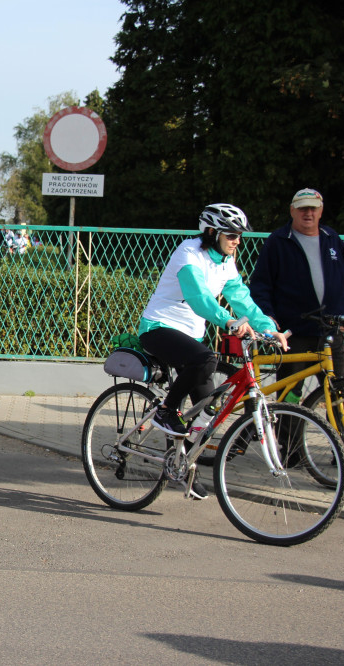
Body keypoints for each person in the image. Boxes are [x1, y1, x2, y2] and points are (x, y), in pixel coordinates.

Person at [138, 203, 288, 499]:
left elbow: (241, 298)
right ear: (211, 232)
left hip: (189, 337)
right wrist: (228, 321)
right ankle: (166, 411)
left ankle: (181, 467)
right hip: (158, 328)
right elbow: (199, 297)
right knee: (207, 359)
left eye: (239, 236)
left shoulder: (226, 262)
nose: (237, 241)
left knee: (207, 412)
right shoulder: (189, 253)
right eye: (231, 235)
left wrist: (269, 328)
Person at [249, 188, 344, 471]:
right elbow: (261, 283)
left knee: (339, 390)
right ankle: (290, 450)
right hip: (294, 331)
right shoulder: (278, 241)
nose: (308, 213)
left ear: (321, 210)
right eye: (302, 208)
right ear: (292, 210)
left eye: (313, 208)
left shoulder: (332, 238)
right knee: (291, 392)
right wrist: (268, 317)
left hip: (330, 330)